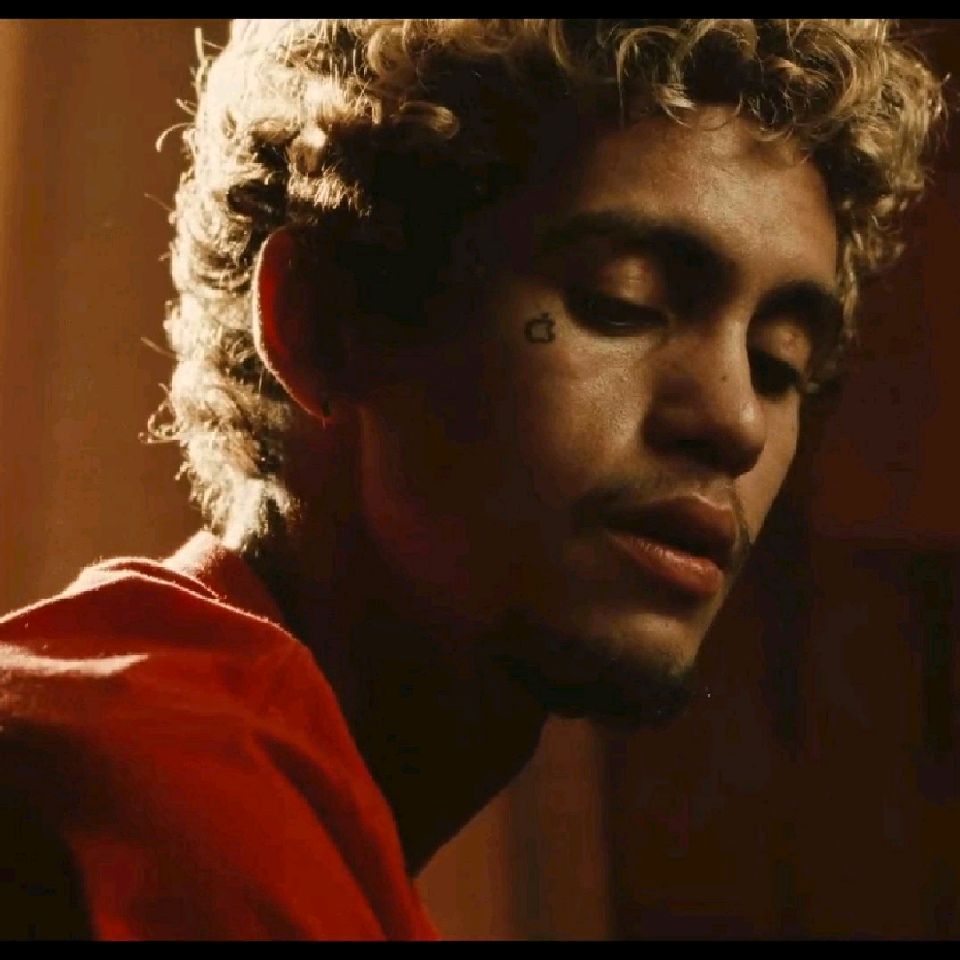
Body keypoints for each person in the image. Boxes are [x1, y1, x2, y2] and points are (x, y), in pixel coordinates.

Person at [0, 19, 945, 939]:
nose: (738, 422)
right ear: (323, 323)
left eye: (778, 363)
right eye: (622, 303)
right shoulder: (148, 788)